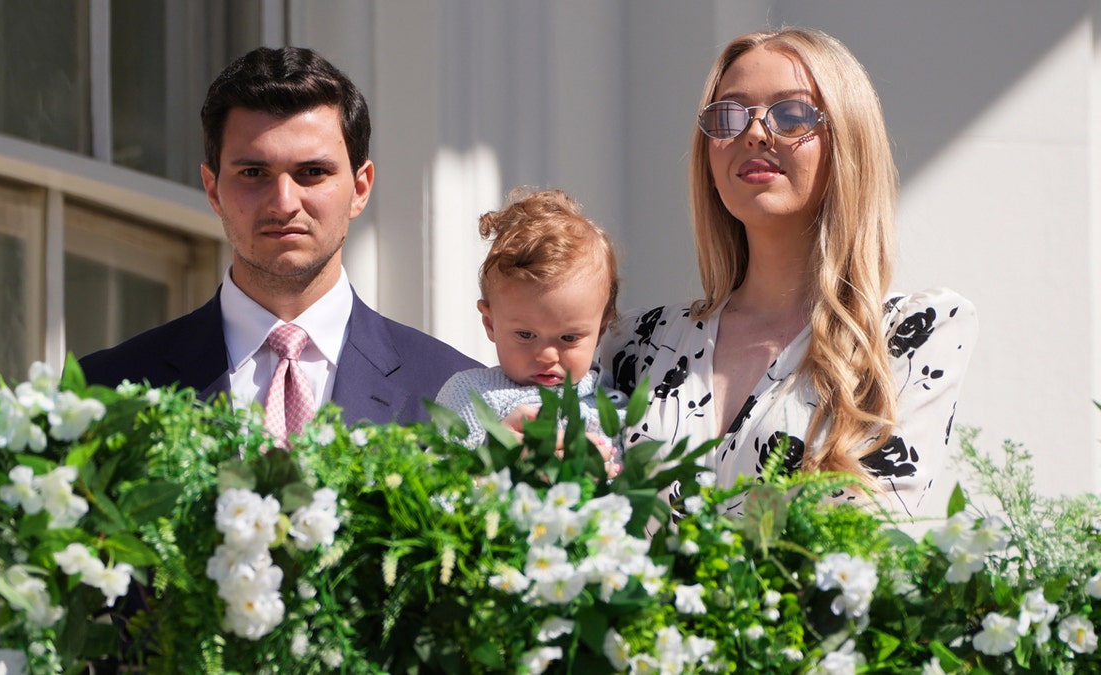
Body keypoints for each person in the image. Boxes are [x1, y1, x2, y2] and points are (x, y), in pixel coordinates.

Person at [599, 28, 978, 517]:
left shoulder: (910, 335)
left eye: (792, 114)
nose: (754, 133)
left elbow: (876, 540)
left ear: (848, 139)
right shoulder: (634, 342)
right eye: (729, 115)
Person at [80, 47, 479, 428]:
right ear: (213, 189)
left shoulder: (458, 394)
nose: (284, 202)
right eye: (253, 173)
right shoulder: (105, 391)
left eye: (312, 173)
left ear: (360, 189)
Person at [436, 188, 623, 458]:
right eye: (525, 334)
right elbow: (438, 482)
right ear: (490, 323)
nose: (547, 355)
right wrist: (489, 462)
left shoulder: (611, 402)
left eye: (569, 338)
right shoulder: (472, 396)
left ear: (602, 329)